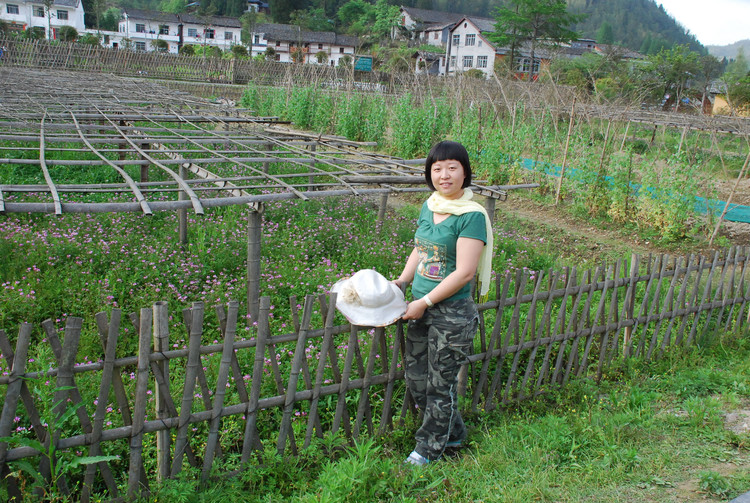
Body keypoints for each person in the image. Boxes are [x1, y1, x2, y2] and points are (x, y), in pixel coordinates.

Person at [394, 140, 493, 465]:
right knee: (418, 379)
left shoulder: (471, 216)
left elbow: (464, 272)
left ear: (464, 172)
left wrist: (424, 301)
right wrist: (403, 281)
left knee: (440, 384)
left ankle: (427, 450)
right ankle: (454, 435)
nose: (444, 175)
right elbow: (421, 249)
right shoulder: (430, 205)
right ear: (429, 174)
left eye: (452, 167)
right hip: (420, 305)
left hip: (451, 314)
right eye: (437, 168)